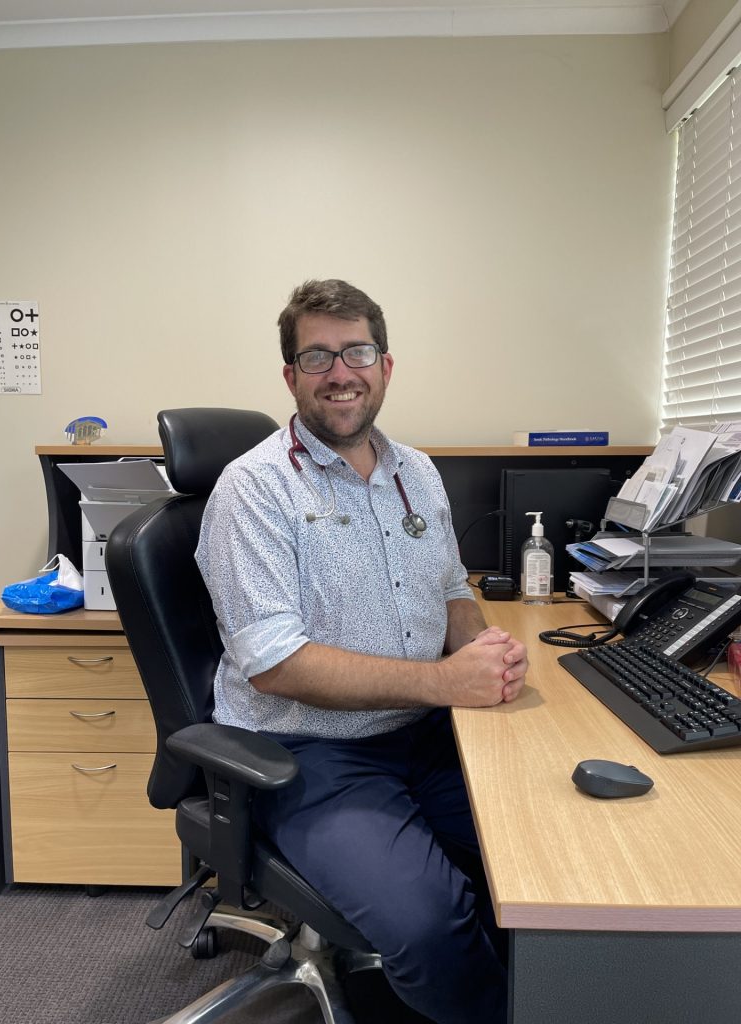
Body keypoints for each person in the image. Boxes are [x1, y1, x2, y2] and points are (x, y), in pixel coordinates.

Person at [195, 279, 528, 1024]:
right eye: (317, 357)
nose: (340, 372)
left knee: (535, 860)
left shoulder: (418, 472)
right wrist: (447, 681)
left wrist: (483, 649)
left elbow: (450, 586)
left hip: (427, 735)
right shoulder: (253, 489)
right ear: (291, 376)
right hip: (311, 751)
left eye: (358, 352)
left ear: (386, 366)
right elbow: (276, 662)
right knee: (428, 924)